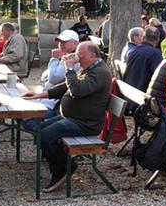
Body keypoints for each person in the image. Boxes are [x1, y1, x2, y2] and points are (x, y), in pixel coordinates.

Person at [22, 42, 112, 192]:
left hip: (86, 124)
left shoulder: (100, 72)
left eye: (80, 54)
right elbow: (67, 86)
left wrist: (69, 68)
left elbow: (76, 90)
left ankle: (63, 169)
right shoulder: (90, 68)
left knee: (46, 135)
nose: (77, 57)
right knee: (40, 130)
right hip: (73, 118)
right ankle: (58, 162)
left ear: (93, 56)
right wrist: (41, 94)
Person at [124, 26, 163, 91]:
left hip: (128, 91)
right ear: (158, 40)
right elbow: (159, 78)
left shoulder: (132, 50)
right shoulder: (156, 54)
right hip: (141, 94)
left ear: (144, 37)